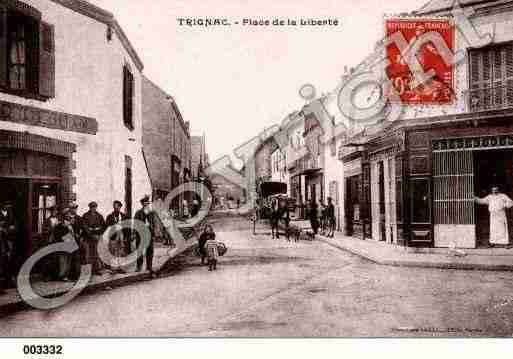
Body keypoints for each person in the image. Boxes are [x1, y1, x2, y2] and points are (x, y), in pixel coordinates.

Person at [134, 196, 157, 277]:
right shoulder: (138, 213)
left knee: (150, 251)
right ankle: (139, 266)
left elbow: (154, 224)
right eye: (145, 203)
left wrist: (153, 233)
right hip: (141, 235)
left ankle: (149, 266)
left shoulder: (151, 213)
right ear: (142, 204)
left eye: (147, 203)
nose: (146, 205)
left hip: (149, 234)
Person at [82, 202, 106, 275]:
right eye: (92, 207)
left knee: (96, 254)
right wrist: (91, 234)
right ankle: (89, 271)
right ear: (89, 207)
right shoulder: (85, 216)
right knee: (88, 255)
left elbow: (103, 226)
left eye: (94, 207)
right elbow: (85, 227)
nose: (93, 208)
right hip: (88, 238)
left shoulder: (99, 216)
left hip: (97, 237)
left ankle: (97, 269)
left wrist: (99, 234)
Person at [53, 212, 78, 281]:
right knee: (63, 260)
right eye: (67, 215)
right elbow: (57, 235)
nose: (68, 217)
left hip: (71, 244)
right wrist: (65, 239)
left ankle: (67, 275)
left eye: (69, 216)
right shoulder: (60, 225)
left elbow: (74, 234)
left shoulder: (71, 225)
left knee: (69, 260)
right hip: (63, 244)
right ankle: (62, 275)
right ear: (64, 217)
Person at [105, 201, 129, 273]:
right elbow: (107, 227)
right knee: (113, 252)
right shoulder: (109, 216)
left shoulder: (124, 216)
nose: (116, 208)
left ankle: (121, 267)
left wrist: (126, 237)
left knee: (121, 252)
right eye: (115, 207)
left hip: (121, 236)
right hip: (113, 236)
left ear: (120, 207)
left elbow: (127, 227)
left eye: (118, 207)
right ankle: (113, 269)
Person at [0, 202, 16, 293]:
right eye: (7, 206)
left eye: (10, 207)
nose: (8, 208)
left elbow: (13, 225)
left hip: (9, 239)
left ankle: (8, 281)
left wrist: (11, 228)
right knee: (2, 260)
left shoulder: (11, 214)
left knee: (8, 260)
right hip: (2, 240)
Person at [43, 206, 60, 280]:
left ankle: (55, 275)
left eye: (56, 211)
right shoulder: (47, 220)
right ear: (51, 212)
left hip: (58, 241)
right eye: (53, 211)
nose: (55, 212)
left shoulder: (59, 220)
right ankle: (47, 276)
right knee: (49, 259)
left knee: (56, 258)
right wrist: (52, 228)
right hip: (50, 241)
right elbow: (44, 230)